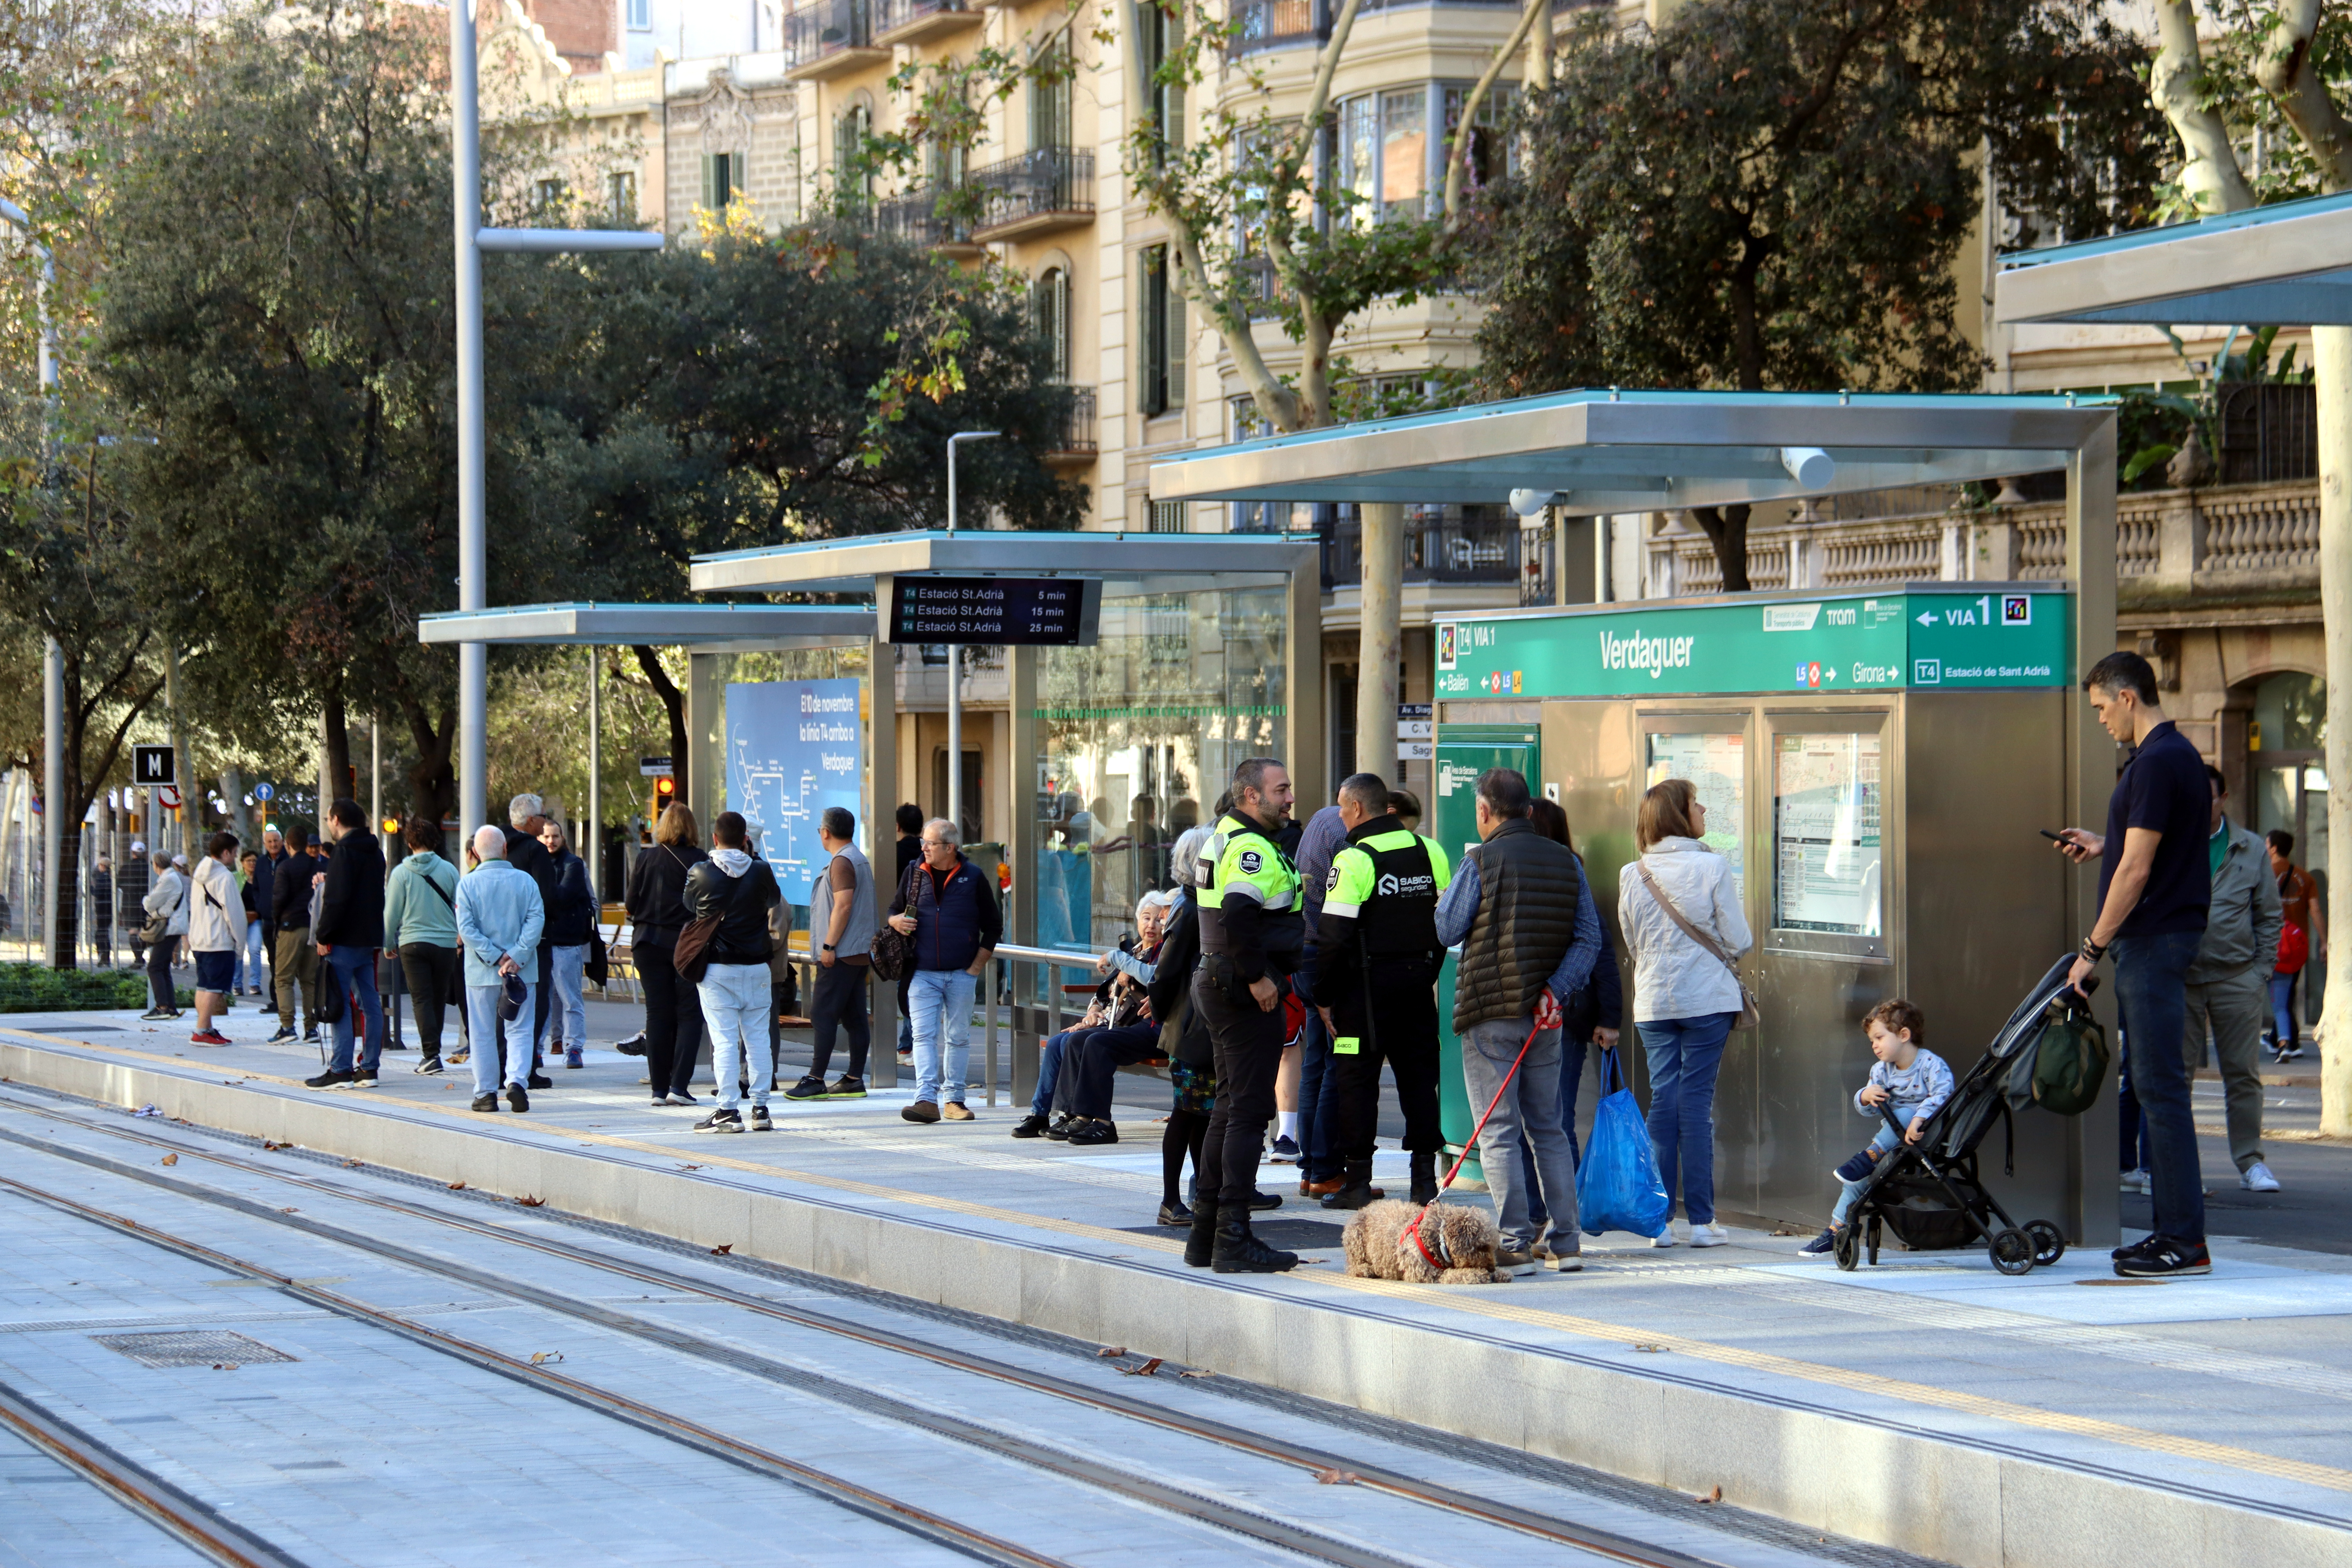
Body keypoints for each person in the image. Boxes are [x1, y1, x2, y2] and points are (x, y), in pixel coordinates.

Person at [2056, 649, 2212, 1278]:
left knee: (2160, 1088)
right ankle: (2173, 1233)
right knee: (2154, 1087)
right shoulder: (2175, 759)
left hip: (2152, 940)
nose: (2099, 719)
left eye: (2100, 707)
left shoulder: (2155, 762)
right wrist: (2105, 842)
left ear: (2127, 696)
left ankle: (2184, 1240)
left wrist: (2090, 949)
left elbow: (2140, 868)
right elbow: (2142, 850)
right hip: (2161, 937)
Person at [1435, 767, 1600, 1272]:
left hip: (1489, 1012)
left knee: (1500, 1130)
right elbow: (1589, 939)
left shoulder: (1479, 861)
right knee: (1547, 1127)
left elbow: (1447, 927)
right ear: (1529, 811)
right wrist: (1555, 989)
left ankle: (1515, 1240)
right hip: (1545, 1016)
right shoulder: (1568, 863)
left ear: (1484, 813)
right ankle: (1567, 1242)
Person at [1310, 772, 1450, 1210]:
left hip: (1361, 999)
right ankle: (1424, 1183)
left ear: (1356, 809)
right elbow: (1444, 929)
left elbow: (1333, 937)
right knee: (1420, 1083)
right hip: (1416, 991)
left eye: (1341, 805)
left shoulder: (1353, 860)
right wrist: (1426, 974)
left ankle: (1357, 1183)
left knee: (1355, 1084)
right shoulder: (1431, 851)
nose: (1338, 813)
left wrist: (1324, 996)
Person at [1618, 778, 1748, 1250]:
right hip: (1706, 1001)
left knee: (1662, 1102)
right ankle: (1701, 1221)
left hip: (1653, 1003)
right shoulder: (1712, 865)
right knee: (1695, 1105)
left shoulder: (1633, 873)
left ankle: (1660, 1224)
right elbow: (1739, 939)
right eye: (1696, 803)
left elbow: (1632, 942)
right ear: (1679, 814)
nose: (1704, 809)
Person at [1189, 757, 1305, 1274]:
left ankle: (1207, 1233)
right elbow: (1237, 913)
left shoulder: (1223, 835)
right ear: (1250, 795)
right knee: (1248, 1110)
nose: (1289, 798)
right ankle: (1233, 1236)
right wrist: (1259, 977)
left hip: (1219, 979)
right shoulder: (1252, 846)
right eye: (1281, 790)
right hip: (1242, 988)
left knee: (1230, 1104)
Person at [2182, 766, 2285, 1194]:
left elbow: (2269, 915)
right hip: (2180, 980)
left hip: (2236, 978)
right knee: (2175, 1078)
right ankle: (2182, 1173)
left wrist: (2260, 974)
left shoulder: (2250, 848)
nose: (2198, 805)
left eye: (2206, 797)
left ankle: (2250, 1162)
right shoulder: (2170, 843)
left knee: (2242, 1075)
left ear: (2223, 797)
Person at [1798, 1000, 1955, 1255]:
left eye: (1880, 1038)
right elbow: (1870, 1110)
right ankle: (1836, 1229)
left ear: (1904, 1035)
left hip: (1927, 1135)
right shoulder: (1881, 1071)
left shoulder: (1931, 1065)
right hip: (1893, 1141)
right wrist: (1865, 1095)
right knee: (1857, 1179)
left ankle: (1869, 1156)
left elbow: (1944, 1095)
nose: (1874, 1045)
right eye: (1872, 1040)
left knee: (1905, 1112)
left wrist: (1919, 1118)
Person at [887, 818, 1002, 1123]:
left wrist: (975, 967)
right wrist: (895, 921)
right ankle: (925, 1099)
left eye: (930, 843)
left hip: (962, 973)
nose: (923, 847)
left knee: (958, 1037)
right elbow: (892, 910)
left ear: (950, 848)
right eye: (923, 842)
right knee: (923, 1036)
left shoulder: (974, 877)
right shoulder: (914, 873)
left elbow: (993, 926)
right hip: (922, 972)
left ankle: (955, 1100)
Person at [685, 811, 784, 1133]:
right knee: (758, 1040)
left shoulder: (700, 872)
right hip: (756, 967)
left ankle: (727, 1110)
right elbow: (772, 899)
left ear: (714, 839)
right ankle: (761, 1109)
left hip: (717, 968)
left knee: (725, 1040)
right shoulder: (760, 870)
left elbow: (690, 905)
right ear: (746, 840)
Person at [1060, 894, 1173, 1143]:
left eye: (1162, 917)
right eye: (1149, 918)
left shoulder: (1175, 945)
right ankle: (1080, 1116)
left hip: (1165, 1029)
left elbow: (1156, 978)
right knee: (1078, 1040)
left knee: (1098, 1043)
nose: (1155, 924)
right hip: (1145, 1023)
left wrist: (1118, 960)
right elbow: (1106, 992)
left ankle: (1102, 1123)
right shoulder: (1146, 948)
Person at [1146, 828, 1217, 1224]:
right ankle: (1171, 1199)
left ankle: (1197, 1193)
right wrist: (1163, 1015)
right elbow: (1165, 972)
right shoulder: (1189, 907)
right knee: (1187, 1113)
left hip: (1198, 1024)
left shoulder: (1202, 903)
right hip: (1190, 1027)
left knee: (1201, 1113)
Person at [1287, 788, 1352, 1195]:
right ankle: (1327, 1169)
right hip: (1328, 957)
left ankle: (1310, 1168)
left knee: (1314, 1062)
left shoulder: (1322, 818)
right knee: (1334, 1061)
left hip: (1304, 954)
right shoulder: (1345, 831)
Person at [788, 807, 877, 1101]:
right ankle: (853, 1078)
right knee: (854, 1016)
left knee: (822, 1013)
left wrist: (828, 946)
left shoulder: (842, 862)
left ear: (826, 832)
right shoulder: (858, 858)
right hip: (857, 951)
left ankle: (815, 1079)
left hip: (841, 952)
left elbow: (843, 906)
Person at [455, 824, 542, 1113]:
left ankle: (486, 1093)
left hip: (481, 972)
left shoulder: (467, 884)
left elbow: (467, 929)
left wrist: (495, 956)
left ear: (476, 853)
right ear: (505, 850)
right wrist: (516, 956)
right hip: (522, 971)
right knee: (520, 1029)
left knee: (481, 1033)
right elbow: (535, 921)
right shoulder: (526, 881)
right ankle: (517, 1082)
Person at [626, 804, 709, 1107]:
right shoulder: (701, 861)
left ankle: (658, 1090)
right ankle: (679, 1086)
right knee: (689, 1014)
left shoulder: (646, 858)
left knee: (657, 1015)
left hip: (647, 943)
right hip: (686, 945)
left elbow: (631, 903)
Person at [308, 799, 387, 1091]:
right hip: (368, 938)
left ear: (337, 819)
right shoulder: (375, 852)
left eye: (329, 819)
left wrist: (323, 935)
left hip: (343, 939)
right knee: (370, 1003)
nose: (328, 824)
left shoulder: (343, 851)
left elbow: (337, 899)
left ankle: (340, 1069)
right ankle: (369, 1067)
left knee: (338, 1001)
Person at [385, 816, 463, 1076]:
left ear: (409, 842)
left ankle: (430, 1055)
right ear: (435, 841)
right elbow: (460, 907)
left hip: (413, 943)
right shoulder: (450, 871)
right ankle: (434, 1052)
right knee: (438, 998)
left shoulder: (401, 873)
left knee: (421, 999)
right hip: (445, 944)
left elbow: (391, 913)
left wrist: (388, 943)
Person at [501, 794, 559, 1086]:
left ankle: (498, 1070)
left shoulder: (497, 847)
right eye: (544, 815)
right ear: (531, 820)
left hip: (497, 942)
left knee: (498, 1006)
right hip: (533, 942)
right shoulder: (535, 852)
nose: (546, 820)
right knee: (533, 1006)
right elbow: (546, 898)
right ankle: (525, 1070)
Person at [539, 818, 595, 1070]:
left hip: (566, 942)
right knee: (540, 1001)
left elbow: (563, 896)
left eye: (555, 837)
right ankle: (536, 1050)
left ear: (563, 839)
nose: (551, 841)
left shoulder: (574, 864)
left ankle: (574, 1049)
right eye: (546, 837)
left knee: (571, 999)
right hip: (540, 942)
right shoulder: (535, 863)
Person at [2267, 829, 2325, 1061]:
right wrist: (2323, 941)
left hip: (2272, 942)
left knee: (2281, 994)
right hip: (2298, 945)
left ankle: (2289, 1042)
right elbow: (2316, 910)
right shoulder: (2306, 877)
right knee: (2286, 991)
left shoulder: (2264, 873)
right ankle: (2276, 1038)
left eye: (2266, 843)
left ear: (2273, 848)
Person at [187, 832, 243, 1046]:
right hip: (219, 939)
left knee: (204, 985)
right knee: (216, 988)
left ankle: (206, 1027)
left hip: (199, 938)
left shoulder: (199, 875)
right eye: (235, 853)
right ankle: (201, 1030)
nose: (235, 858)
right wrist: (239, 941)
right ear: (226, 853)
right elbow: (234, 913)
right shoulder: (225, 877)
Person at [268, 826, 321, 1044]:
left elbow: (278, 899)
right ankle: (312, 1029)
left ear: (287, 845)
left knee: (284, 978)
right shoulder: (319, 866)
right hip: (314, 927)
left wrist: (276, 920)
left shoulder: (285, 867)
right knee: (310, 981)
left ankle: (288, 1026)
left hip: (290, 927)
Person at [140, 850, 187, 1021]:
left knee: (154, 967)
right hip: (171, 927)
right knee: (163, 967)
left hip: (168, 928)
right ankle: (170, 1007)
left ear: (156, 865)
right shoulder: (171, 878)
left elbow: (150, 903)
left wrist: (146, 900)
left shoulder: (168, 880)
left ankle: (163, 1007)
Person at [893, 802, 923, 1066]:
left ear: (898, 826)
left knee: (906, 987)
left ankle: (908, 1044)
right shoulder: (928, 854)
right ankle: (907, 1044)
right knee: (912, 987)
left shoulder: (894, 854)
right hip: (924, 930)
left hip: (901, 929)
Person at [236, 851, 266, 996]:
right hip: (240, 919)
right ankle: (237, 984)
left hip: (257, 919)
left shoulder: (262, 878)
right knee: (238, 951)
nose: (252, 864)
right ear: (242, 863)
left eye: (255, 861)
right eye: (249, 861)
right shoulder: (235, 878)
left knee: (255, 949)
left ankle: (255, 984)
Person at [89, 855, 113, 966]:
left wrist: (91, 889)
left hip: (102, 908)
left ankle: (104, 956)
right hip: (108, 908)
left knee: (101, 933)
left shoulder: (102, 878)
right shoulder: (110, 877)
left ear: (103, 866)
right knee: (104, 932)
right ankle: (105, 957)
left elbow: (97, 893)